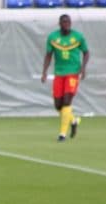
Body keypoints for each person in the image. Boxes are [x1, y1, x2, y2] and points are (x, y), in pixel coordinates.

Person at [41, 14, 90, 142]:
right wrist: (44, 71)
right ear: (60, 24)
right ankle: (73, 120)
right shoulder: (53, 37)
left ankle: (62, 134)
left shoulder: (78, 36)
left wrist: (83, 68)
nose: (67, 24)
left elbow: (86, 52)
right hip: (59, 73)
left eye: (68, 22)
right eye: (64, 22)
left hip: (73, 72)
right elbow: (48, 55)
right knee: (58, 105)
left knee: (67, 101)